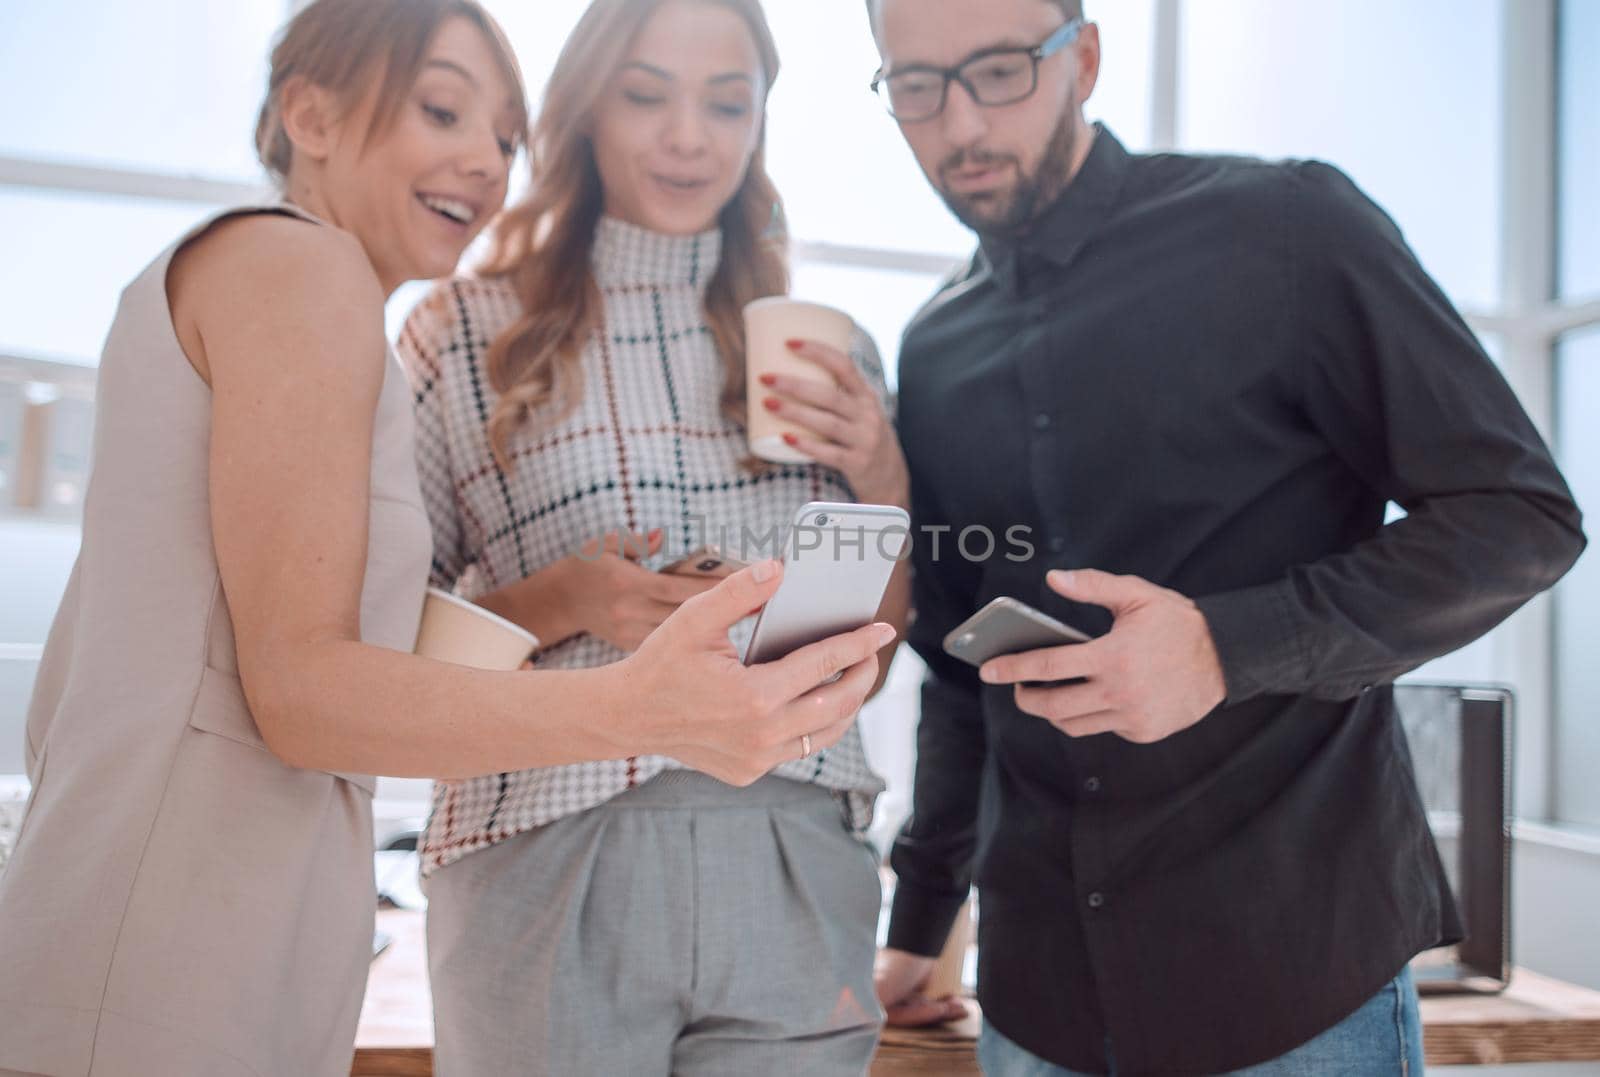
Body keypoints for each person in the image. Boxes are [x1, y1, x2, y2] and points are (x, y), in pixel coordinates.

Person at [0, 2, 891, 1074]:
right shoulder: (323, 282)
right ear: (308, 113)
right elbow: (305, 685)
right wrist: (611, 668)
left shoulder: (322, 307)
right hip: (201, 901)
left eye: (503, 137)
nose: (482, 162)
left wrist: (880, 470)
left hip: (257, 892)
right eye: (442, 111)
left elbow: (300, 664)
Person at [863, 0, 1587, 1074]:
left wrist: (1224, 647)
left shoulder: (1287, 229)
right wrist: (920, 927)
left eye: (1001, 70)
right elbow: (965, 678)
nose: (960, 124)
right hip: (1036, 1007)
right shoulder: (931, 348)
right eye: (916, 87)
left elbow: (1519, 518)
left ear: (1086, 59)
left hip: (1292, 986)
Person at [393, 1, 911, 1072]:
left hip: (793, 848)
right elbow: (397, 654)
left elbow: (877, 648)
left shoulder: (828, 350)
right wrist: (564, 600)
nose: (690, 137)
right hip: (544, 841)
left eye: (727, 103)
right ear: (585, 107)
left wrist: (881, 471)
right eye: (646, 95)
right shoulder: (462, 331)